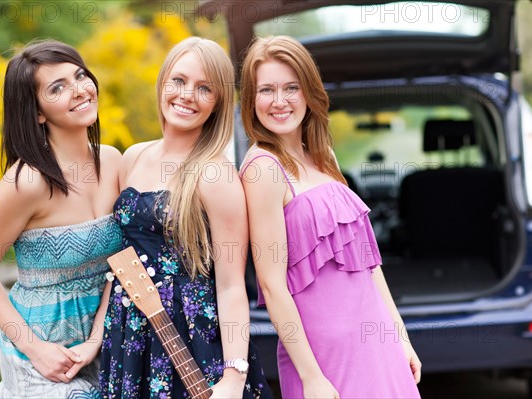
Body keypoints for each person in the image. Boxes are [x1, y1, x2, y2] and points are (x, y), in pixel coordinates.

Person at [239, 35, 422, 398]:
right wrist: (312, 378)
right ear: (251, 99)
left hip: (377, 343)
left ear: (309, 92)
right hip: (323, 361)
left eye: (291, 87)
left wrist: (400, 336)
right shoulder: (263, 170)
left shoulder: (324, 158)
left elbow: (368, 266)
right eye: (266, 90)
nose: (279, 101)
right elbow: (273, 288)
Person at [99, 37, 271, 399]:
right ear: (162, 83)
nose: (187, 94)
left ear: (218, 103)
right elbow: (117, 261)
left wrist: (234, 377)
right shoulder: (133, 157)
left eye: (204, 87)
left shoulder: (215, 175)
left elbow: (230, 285)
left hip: (193, 338)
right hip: (129, 331)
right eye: (178, 80)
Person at [0, 40, 123, 398]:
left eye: (80, 77)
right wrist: (36, 349)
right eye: (58, 87)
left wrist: (97, 338)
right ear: (37, 112)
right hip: (43, 357)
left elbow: (123, 262)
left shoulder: (114, 162)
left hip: (108, 342)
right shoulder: (27, 183)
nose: (80, 90)